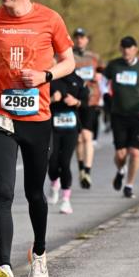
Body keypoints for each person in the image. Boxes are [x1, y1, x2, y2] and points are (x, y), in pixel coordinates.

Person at [0, 0, 75, 277]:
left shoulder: (50, 19)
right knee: (4, 191)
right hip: (2, 115)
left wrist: (45, 76)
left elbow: (69, 62)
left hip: (38, 117)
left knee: (35, 193)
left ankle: (40, 253)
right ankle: (4, 267)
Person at [104, 37, 139, 198]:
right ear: (121, 49)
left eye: (130, 47)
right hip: (118, 114)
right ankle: (120, 170)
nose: (126, 51)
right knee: (120, 154)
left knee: (135, 152)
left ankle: (129, 185)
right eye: (124, 47)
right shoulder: (114, 65)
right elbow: (103, 81)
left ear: (135, 49)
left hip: (137, 114)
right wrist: (105, 94)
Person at [47, 70, 87, 213]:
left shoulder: (78, 80)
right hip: (53, 126)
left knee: (65, 163)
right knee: (52, 163)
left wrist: (76, 102)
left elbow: (88, 102)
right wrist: (52, 99)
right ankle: (54, 183)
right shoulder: (51, 78)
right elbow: (38, 102)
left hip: (71, 127)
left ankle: (66, 200)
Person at [71, 27, 102, 188]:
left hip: (90, 100)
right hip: (74, 100)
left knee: (87, 137)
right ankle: (81, 167)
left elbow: (102, 74)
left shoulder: (95, 58)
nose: (79, 40)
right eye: (77, 37)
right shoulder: (68, 56)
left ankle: (87, 172)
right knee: (78, 139)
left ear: (87, 40)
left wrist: (99, 77)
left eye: (82, 37)